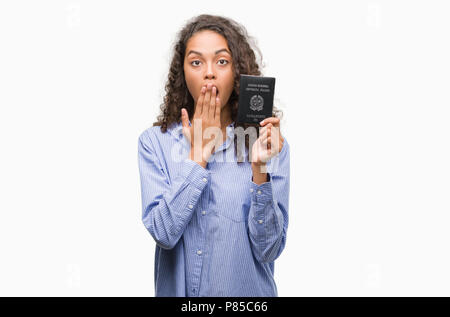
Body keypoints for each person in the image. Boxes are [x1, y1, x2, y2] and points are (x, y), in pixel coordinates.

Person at [137, 14, 290, 297]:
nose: (209, 72)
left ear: (237, 71)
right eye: (196, 62)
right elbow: (163, 233)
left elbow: (268, 249)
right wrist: (198, 154)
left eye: (221, 61)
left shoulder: (269, 144)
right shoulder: (154, 143)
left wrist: (259, 169)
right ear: (183, 73)